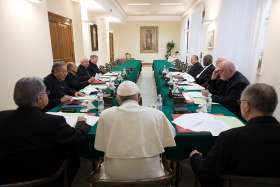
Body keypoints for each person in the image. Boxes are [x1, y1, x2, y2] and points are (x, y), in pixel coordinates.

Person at [0, 77, 91, 186]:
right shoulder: (54, 122)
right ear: (39, 98)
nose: (48, 94)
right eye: (46, 93)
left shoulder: (2, 117)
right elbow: (76, 138)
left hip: (7, 177)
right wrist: (82, 123)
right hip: (46, 178)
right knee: (73, 155)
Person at [190, 83, 280, 186]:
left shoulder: (229, 138)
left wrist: (195, 156)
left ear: (246, 106)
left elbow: (205, 173)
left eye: (240, 102)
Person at [94, 81, 176, 180]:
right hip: (151, 173)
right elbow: (171, 135)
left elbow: (101, 146)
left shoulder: (105, 114)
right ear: (139, 97)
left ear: (118, 98)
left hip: (114, 174)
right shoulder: (156, 114)